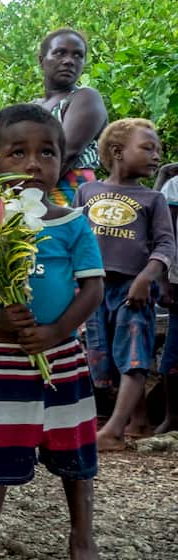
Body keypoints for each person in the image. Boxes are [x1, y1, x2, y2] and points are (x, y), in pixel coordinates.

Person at [0, 104, 113, 560]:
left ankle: (82, 539)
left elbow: (94, 287)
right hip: (2, 358)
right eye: (16, 152)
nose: (32, 163)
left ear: (62, 161)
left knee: (76, 451)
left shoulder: (72, 222)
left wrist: (56, 332)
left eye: (46, 152)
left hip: (63, 359)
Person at [75, 118, 175, 451]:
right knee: (104, 360)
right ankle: (139, 420)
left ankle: (115, 430)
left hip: (132, 291)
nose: (156, 155)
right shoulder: (86, 192)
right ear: (117, 152)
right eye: (147, 148)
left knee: (134, 358)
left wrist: (146, 278)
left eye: (158, 149)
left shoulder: (152, 200)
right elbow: (73, 238)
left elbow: (165, 245)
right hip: (93, 290)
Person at [33, 28, 107, 208]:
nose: (69, 61)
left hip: (71, 189)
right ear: (42, 60)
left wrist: (28, 196)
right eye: (60, 53)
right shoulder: (32, 107)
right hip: (33, 188)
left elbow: (66, 152)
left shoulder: (85, 98)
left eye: (78, 56)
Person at [158, 166, 178, 434]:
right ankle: (172, 417)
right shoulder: (175, 186)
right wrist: (162, 280)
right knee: (174, 354)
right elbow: (163, 235)